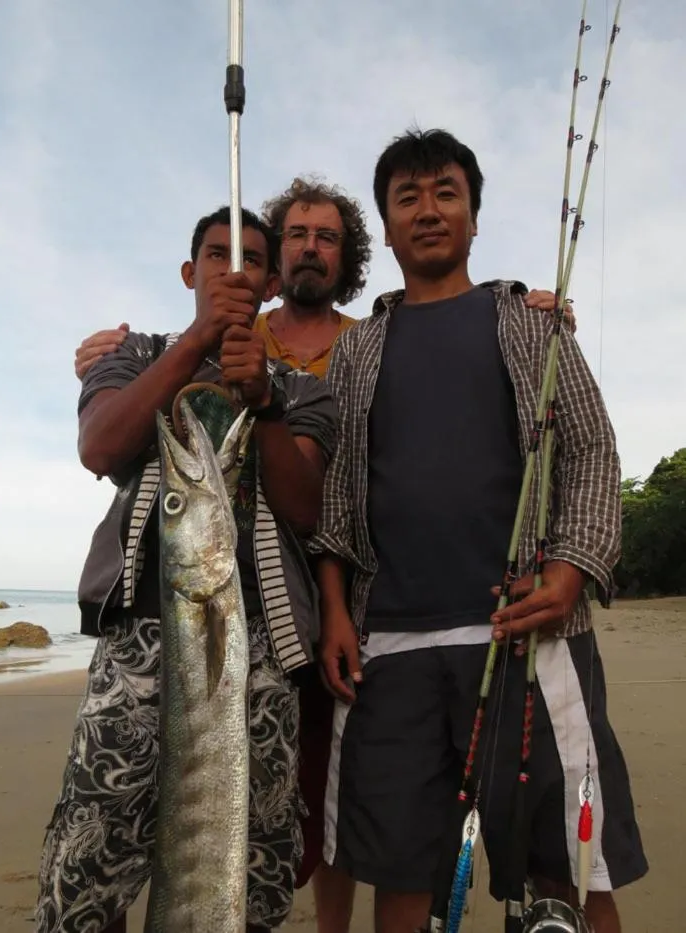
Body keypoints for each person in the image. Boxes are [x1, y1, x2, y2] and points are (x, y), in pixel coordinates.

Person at [74, 183, 577, 933]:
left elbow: (332, 485)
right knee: (106, 836)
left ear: (341, 257)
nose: (310, 247)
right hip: (227, 608)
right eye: (296, 235)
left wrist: (528, 312)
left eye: (328, 237)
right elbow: (103, 442)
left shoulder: (372, 341)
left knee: (321, 801)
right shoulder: (182, 342)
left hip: (329, 610)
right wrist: (151, 346)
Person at [311, 129, 647, 933]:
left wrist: (571, 568)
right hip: (389, 650)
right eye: (408, 198)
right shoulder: (357, 349)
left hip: (528, 637)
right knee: (401, 874)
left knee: (567, 869)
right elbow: (338, 496)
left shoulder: (532, 322)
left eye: (446, 193)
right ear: (387, 227)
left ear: (472, 216)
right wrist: (335, 610)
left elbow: (592, 450)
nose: (428, 210)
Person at [36, 205, 338, 933]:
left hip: (261, 646)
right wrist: (199, 339)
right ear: (188, 272)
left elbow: (305, 508)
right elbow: (101, 446)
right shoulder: (133, 353)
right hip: (137, 640)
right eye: (215, 255)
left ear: (270, 284)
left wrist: (265, 402)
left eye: (251, 260)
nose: (233, 270)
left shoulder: (301, 390)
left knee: (250, 863)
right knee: (88, 858)